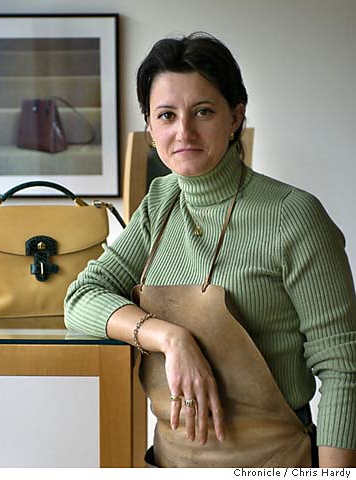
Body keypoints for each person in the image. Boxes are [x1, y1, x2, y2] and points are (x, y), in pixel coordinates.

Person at [64, 32, 356, 467]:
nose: (184, 132)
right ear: (150, 127)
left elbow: (343, 368)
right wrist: (170, 337)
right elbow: (80, 298)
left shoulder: (293, 215)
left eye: (203, 111)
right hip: (169, 463)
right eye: (166, 115)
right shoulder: (159, 205)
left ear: (235, 116)